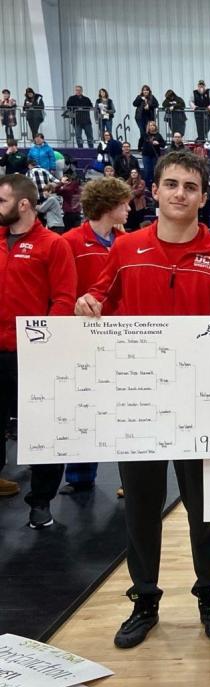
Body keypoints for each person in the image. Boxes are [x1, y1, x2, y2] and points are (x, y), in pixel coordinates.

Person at [75, 149, 210, 648]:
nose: (179, 194)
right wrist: (88, 306)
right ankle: (145, 598)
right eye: (171, 184)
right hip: (139, 405)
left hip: (200, 403)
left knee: (203, 509)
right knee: (142, 510)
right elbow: (98, 301)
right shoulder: (126, 249)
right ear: (154, 191)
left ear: (203, 197)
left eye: (190, 187)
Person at [0, 174, 77, 517]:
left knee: (42, 428)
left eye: (2, 201)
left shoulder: (53, 245)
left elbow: (64, 299)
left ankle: (41, 501)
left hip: (32, 356)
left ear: (24, 204)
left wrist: (41, 344)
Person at [59, 176, 132, 493]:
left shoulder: (127, 241)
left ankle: (131, 479)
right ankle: (79, 475)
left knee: (125, 408)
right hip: (83, 336)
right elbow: (64, 291)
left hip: (122, 334)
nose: (129, 209)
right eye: (125, 204)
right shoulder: (70, 242)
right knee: (85, 404)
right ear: (110, 206)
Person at [137, 121, 166, 188]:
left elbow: (163, 144)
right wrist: (139, 150)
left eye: (153, 125)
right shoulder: (144, 134)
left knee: (154, 171)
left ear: (155, 127)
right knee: (147, 172)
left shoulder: (158, 135)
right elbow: (140, 142)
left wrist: (158, 143)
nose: (152, 126)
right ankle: (147, 187)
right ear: (148, 127)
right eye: (150, 125)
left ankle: (155, 186)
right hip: (146, 155)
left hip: (155, 156)